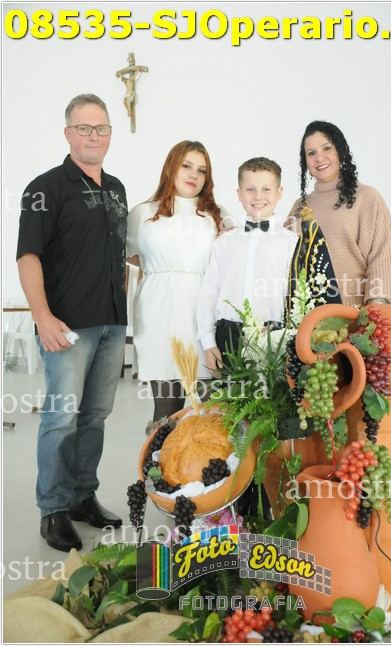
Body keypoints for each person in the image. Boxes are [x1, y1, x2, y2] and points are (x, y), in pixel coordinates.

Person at [16, 94, 128, 552]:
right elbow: (28, 256)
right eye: (84, 128)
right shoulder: (44, 187)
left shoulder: (116, 189)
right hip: (66, 326)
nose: (93, 136)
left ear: (110, 134)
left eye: (101, 128)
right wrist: (42, 317)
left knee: (95, 416)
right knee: (61, 419)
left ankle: (83, 496)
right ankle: (53, 509)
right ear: (68, 133)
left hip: (112, 323)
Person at [127, 140, 226, 421]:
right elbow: (131, 256)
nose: (194, 175)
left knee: (209, 413)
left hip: (202, 318)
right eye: (186, 166)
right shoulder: (143, 213)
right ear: (171, 167)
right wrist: (165, 271)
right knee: (166, 411)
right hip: (157, 316)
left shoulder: (217, 215)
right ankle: (159, 451)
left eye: (202, 170)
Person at [197, 157, 298, 372]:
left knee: (270, 394)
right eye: (250, 189)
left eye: (266, 189)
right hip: (227, 338)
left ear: (279, 193)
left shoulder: (291, 243)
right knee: (228, 393)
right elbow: (209, 293)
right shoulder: (224, 242)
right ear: (239, 194)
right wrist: (208, 343)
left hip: (274, 338)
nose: (258, 196)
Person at [286, 120, 391, 307]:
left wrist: (374, 308)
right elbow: (282, 258)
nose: (319, 158)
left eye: (327, 148)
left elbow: (384, 256)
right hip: (307, 315)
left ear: (341, 151)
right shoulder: (300, 206)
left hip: (354, 312)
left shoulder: (366, 198)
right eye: (311, 153)